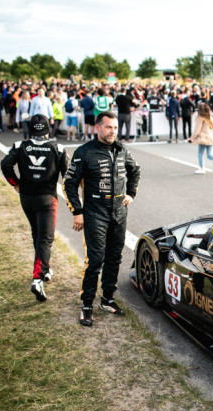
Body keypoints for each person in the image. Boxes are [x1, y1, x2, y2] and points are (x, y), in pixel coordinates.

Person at [63, 111, 141, 326]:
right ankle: (86, 304)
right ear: (98, 128)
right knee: (95, 260)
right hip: (94, 213)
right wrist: (77, 211)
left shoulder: (122, 149)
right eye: (108, 127)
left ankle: (107, 299)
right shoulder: (84, 152)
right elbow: (69, 184)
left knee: (115, 258)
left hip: (119, 212)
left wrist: (131, 194)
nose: (113, 131)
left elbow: (135, 171)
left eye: (115, 128)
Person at [0, 115, 68, 302]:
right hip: (47, 199)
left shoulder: (19, 146)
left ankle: (44, 269)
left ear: (31, 129)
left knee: (37, 233)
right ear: (48, 129)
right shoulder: (58, 148)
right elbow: (68, 175)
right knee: (45, 239)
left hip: (27, 197)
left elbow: (5, 164)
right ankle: (38, 278)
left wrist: (15, 183)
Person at [188, 102, 213, 174]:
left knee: (200, 154)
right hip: (212, 138)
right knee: (210, 154)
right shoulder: (210, 117)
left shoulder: (200, 118)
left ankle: (202, 168)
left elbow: (197, 130)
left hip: (203, 138)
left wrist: (192, 138)